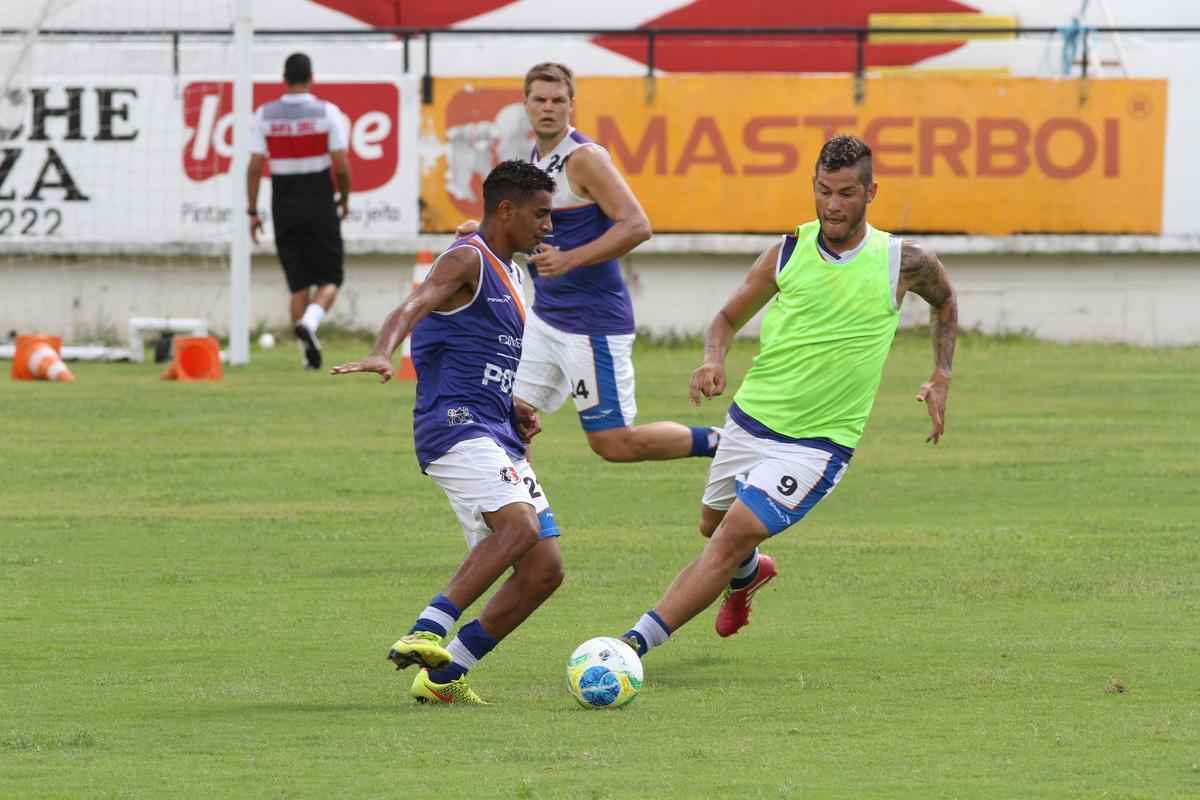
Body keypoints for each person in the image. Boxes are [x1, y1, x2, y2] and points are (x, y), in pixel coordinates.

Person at [617, 135, 958, 659]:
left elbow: (946, 302)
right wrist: (713, 358)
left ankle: (629, 646)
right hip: (750, 422)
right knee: (711, 527)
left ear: (872, 192)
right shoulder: (788, 252)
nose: (833, 205)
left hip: (817, 445)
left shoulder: (902, 260)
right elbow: (726, 319)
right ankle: (750, 576)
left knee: (728, 538)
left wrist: (941, 374)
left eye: (846, 192)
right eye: (823, 190)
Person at [331, 161, 558, 705]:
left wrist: (515, 405)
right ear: (506, 210)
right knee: (520, 529)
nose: (548, 226)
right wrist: (382, 351)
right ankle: (429, 630)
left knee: (544, 571)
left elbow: (479, 352)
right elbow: (416, 302)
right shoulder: (467, 259)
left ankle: (444, 675)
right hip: (455, 426)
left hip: (495, 426)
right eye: (541, 215)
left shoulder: (514, 273)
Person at [460, 62, 720, 463]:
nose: (548, 107)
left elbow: (637, 225)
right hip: (546, 319)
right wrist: (480, 232)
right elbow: (530, 234)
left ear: (571, 105)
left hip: (592, 323)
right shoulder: (534, 159)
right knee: (507, 414)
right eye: (540, 99)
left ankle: (724, 443)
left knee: (614, 444)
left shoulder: (584, 158)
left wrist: (570, 261)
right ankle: (522, 519)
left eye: (558, 100)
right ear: (525, 104)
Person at [247, 52, 351, 370]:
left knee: (298, 284)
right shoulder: (326, 113)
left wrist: (252, 211)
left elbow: (253, 168)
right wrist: (344, 198)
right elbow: (342, 166)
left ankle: (307, 357)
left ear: (284, 79)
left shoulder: (264, 115)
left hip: (283, 200)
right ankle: (310, 322)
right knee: (330, 278)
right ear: (311, 78)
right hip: (319, 197)